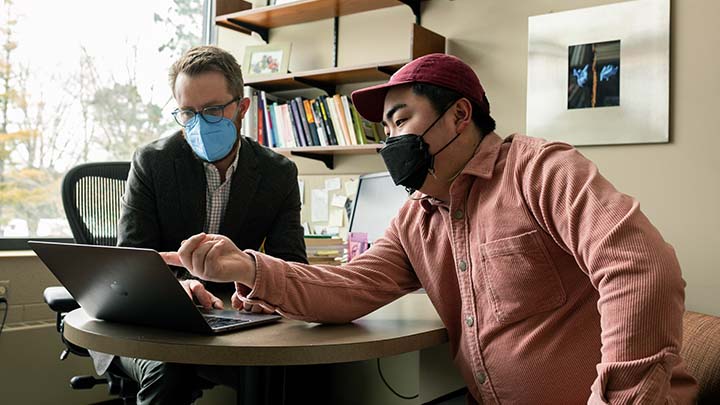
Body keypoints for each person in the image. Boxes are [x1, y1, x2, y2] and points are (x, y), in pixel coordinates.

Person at [161, 53, 699, 404]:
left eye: (399, 120)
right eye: (383, 128)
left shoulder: (539, 170)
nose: (387, 140)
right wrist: (245, 265)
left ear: (460, 115)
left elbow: (640, 265)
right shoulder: (418, 216)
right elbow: (349, 289)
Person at [89, 45, 307, 405]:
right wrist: (179, 287)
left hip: (231, 320)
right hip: (152, 321)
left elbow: (292, 264)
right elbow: (132, 260)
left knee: (289, 373)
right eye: (188, 112)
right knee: (170, 371)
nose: (200, 123)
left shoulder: (277, 173)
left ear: (242, 107)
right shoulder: (152, 162)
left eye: (212, 110)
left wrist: (258, 287)